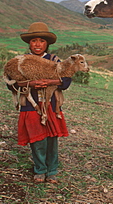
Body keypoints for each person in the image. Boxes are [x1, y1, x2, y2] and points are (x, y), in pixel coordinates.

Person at [6, 22, 71, 183]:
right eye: (34, 40)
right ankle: (40, 170)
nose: (37, 44)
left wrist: (49, 81)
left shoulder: (55, 61)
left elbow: (66, 81)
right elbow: (11, 83)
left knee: (51, 139)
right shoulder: (21, 62)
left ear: (46, 43)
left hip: (51, 105)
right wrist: (31, 84)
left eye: (41, 41)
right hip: (30, 105)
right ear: (29, 43)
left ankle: (52, 170)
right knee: (36, 139)